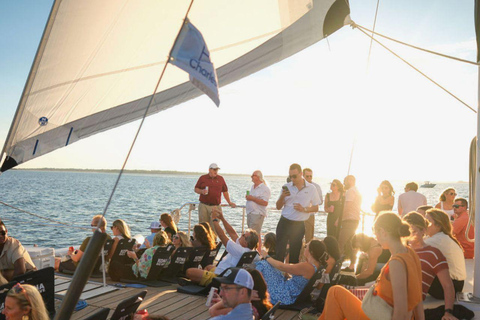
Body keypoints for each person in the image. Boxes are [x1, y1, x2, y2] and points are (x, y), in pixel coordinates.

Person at [319, 212, 424, 320]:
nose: (376, 238)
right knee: (337, 296)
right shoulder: (410, 253)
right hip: (379, 310)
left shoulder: (396, 263)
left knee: (335, 292)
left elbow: (401, 311)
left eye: (375, 234)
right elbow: (417, 296)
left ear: (383, 232)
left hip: (380, 315)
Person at [403, 212, 457, 320]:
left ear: (423, 230)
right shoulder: (402, 251)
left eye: (414, 231)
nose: (410, 236)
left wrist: (448, 312)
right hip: (390, 298)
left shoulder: (433, 253)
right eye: (406, 232)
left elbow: (448, 286)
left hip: (406, 305)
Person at [185, 208, 258, 286]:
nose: (241, 235)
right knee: (209, 267)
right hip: (222, 272)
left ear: (245, 242)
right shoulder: (246, 250)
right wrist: (222, 219)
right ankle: (202, 281)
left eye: (243, 235)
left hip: (220, 277)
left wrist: (214, 220)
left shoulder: (239, 250)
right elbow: (232, 233)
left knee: (189, 271)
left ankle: (205, 281)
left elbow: (222, 236)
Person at [256, 239, 328, 305]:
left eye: (306, 246)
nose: (304, 248)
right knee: (270, 266)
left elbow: (282, 267)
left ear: (311, 252)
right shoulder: (316, 266)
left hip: (285, 294)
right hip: (292, 293)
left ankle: (253, 290)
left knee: (263, 264)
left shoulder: (307, 267)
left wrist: (266, 256)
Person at [275, 163, 321, 263]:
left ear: (301, 174)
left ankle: (292, 277)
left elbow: (316, 207)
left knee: (294, 255)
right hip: (284, 222)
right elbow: (278, 207)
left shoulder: (311, 188)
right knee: (279, 252)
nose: (292, 179)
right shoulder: (286, 187)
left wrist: (304, 209)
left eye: (294, 176)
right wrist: (282, 196)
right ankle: (277, 276)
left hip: (298, 225)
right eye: (290, 176)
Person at [424, 209, 466, 298]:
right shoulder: (443, 237)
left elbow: (411, 251)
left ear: (438, 225)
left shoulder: (438, 240)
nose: (424, 225)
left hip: (448, 288)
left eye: (427, 221)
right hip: (456, 285)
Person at [194, 163, 236, 231]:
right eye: (214, 169)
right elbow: (196, 189)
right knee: (203, 227)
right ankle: (203, 241)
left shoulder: (221, 179)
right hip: (203, 206)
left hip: (216, 207)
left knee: (215, 227)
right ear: (209, 170)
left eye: (217, 169)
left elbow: (225, 191)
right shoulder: (202, 178)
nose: (216, 171)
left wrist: (229, 202)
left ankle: (214, 241)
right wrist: (202, 191)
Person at [337, 175, 361, 261]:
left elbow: (347, 206)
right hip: (355, 219)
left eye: (345, 181)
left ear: (350, 180)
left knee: (341, 242)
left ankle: (336, 264)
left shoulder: (350, 191)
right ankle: (352, 265)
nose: (344, 184)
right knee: (349, 243)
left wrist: (339, 219)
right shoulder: (356, 190)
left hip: (349, 220)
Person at [245, 170, 271, 250]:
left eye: (253, 175)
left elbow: (265, 203)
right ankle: (258, 251)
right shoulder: (253, 187)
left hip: (257, 214)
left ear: (258, 177)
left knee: (252, 235)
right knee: (256, 234)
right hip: (250, 213)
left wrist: (252, 198)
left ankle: (253, 252)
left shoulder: (264, 188)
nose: (251, 177)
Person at [302, 168, 323, 243]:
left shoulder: (316, 187)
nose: (309, 178)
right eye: (307, 176)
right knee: (297, 237)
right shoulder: (298, 186)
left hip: (310, 215)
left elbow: (320, 201)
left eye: (311, 176)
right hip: (298, 215)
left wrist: (312, 200)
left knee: (309, 237)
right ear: (303, 175)